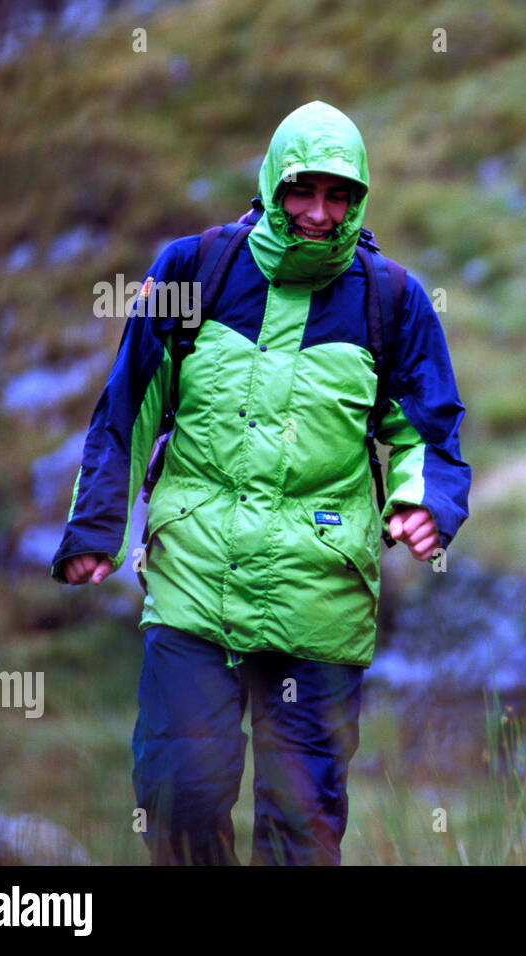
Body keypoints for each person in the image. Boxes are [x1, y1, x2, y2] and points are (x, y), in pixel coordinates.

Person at [51, 101, 471, 864]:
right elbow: (129, 405)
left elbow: (426, 429)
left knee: (302, 827)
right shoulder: (192, 269)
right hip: (193, 585)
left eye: (338, 196)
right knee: (179, 791)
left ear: (360, 199)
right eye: (302, 191)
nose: (318, 213)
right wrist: (96, 531)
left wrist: (421, 500)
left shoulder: (393, 299)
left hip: (322, 598)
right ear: (272, 184)